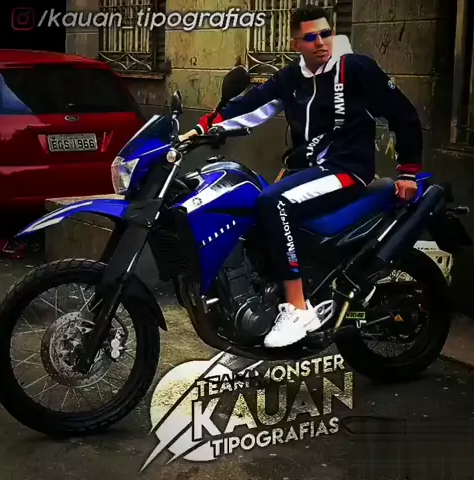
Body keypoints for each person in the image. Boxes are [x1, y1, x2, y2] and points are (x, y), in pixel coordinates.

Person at [178, 5, 423, 348]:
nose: (320, 42)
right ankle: (262, 307)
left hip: (347, 168)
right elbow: (250, 106)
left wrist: (408, 171)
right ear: (296, 44)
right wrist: (199, 130)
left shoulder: (356, 68)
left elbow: (404, 114)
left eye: (325, 34)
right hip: (307, 170)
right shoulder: (292, 77)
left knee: (273, 202)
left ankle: (297, 308)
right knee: (254, 209)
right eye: (310, 37)